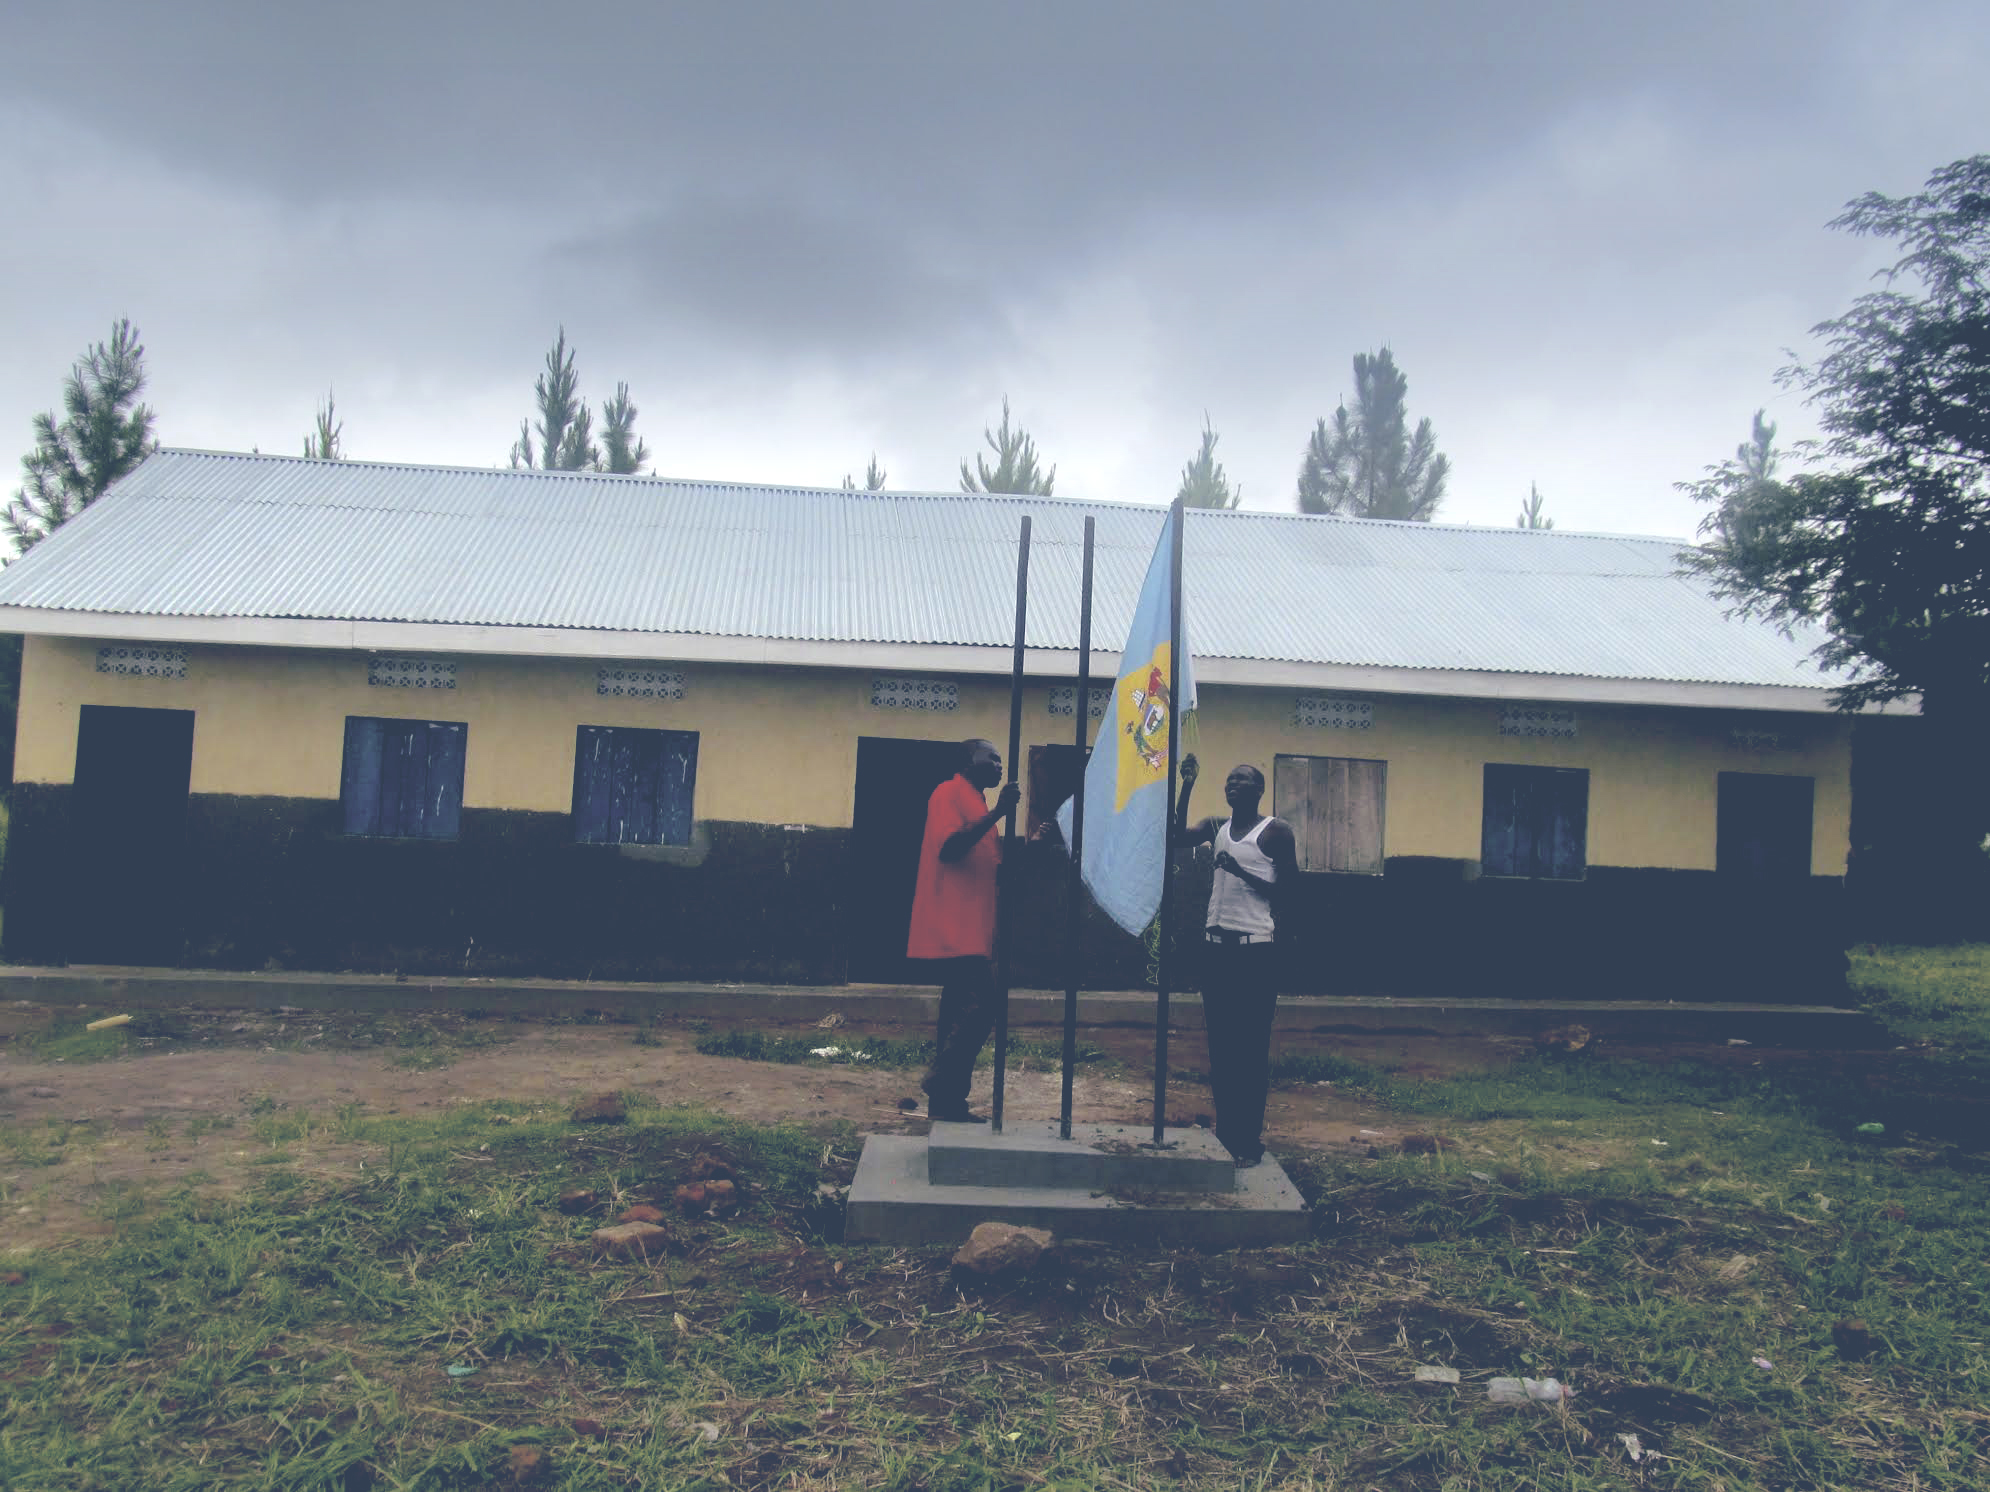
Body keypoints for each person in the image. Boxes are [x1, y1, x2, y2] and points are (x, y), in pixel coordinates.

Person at [1174, 755, 1297, 1166]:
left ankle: (1249, 1141)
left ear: (1259, 790)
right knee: (1222, 1048)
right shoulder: (1215, 827)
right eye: (1229, 780)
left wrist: (1239, 871)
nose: (1233, 785)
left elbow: (1290, 892)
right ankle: (1226, 1133)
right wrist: (1187, 785)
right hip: (1216, 950)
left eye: (1242, 781)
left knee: (1249, 1048)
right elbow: (1175, 836)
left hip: (1255, 953)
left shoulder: (1275, 832)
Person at [907, 738, 1020, 1123]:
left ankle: (948, 1104)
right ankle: (940, 1079)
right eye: (993, 757)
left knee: (958, 1013)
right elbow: (951, 847)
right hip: (954, 925)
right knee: (985, 1005)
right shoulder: (948, 793)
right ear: (968, 759)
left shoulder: (977, 801)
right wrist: (1000, 814)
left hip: (977, 926)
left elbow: (991, 865)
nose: (1000, 765)